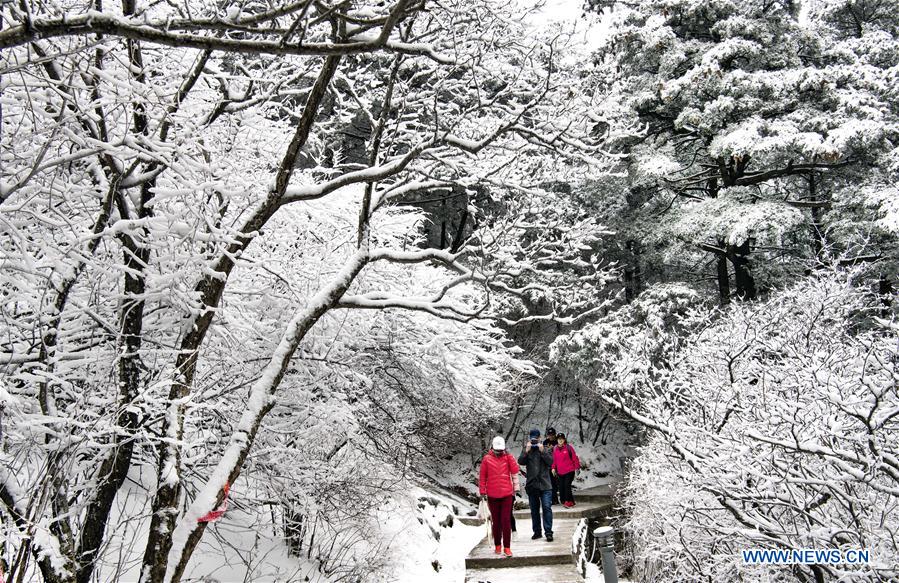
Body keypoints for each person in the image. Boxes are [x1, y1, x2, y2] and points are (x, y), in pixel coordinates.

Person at [479, 435, 521, 557]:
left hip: (507, 494)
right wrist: (482, 492)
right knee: (496, 522)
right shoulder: (486, 459)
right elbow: (482, 477)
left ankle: (507, 547)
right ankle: (498, 545)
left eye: (501, 450)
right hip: (492, 495)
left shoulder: (507, 457)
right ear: (492, 448)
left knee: (506, 520)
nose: (499, 453)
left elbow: (515, 470)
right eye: (497, 450)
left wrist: (509, 456)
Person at [518, 428, 554, 541]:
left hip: (545, 484)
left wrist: (542, 451)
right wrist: (526, 451)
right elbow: (520, 461)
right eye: (532, 439)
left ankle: (548, 532)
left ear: (540, 438)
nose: (534, 441)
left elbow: (551, 462)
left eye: (536, 438)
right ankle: (537, 532)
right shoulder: (527, 449)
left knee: (547, 507)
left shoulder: (546, 449)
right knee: (534, 510)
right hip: (532, 485)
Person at [552, 432, 581, 507]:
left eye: (562, 439)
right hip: (560, 472)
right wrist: (553, 468)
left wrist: (577, 467)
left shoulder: (568, 448)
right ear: (557, 440)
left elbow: (575, 458)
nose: (560, 440)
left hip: (569, 471)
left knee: (567, 486)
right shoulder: (555, 448)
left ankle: (569, 502)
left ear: (564, 440)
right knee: (561, 487)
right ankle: (569, 501)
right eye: (559, 439)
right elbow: (554, 460)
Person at [543, 427, 560, 505]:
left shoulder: (558, 441)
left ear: (555, 435)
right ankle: (552, 500)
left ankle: (558, 499)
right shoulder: (545, 442)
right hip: (547, 466)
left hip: (557, 465)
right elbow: (543, 452)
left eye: (552, 434)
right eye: (549, 435)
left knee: (556, 483)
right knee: (549, 483)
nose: (551, 436)